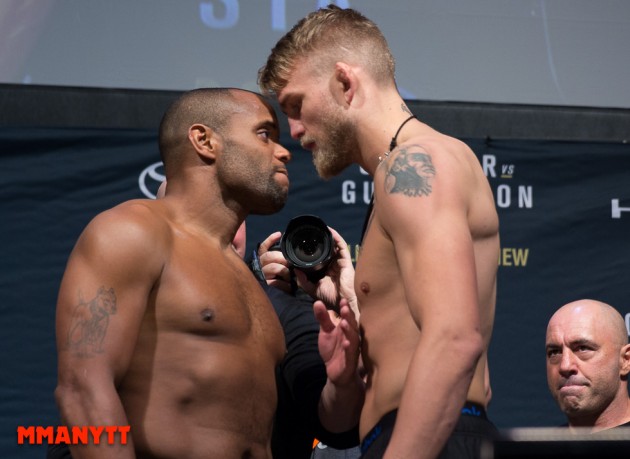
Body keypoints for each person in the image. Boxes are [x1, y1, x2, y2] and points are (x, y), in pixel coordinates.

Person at [258, 5, 500, 458]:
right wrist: (348, 293)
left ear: (345, 83)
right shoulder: (402, 169)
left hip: (432, 438)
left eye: (296, 105)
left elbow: (454, 338)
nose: (293, 131)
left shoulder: (414, 164)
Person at [53, 88, 291, 458]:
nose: (283, 151)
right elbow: (83, 391)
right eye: (264, 134)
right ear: (204, 140)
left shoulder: (247, 278)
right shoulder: (133, 232)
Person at [545, 299, 630, 431]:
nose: (565, 366)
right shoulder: (538, 449)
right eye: (555, 352)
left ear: (626, 360)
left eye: (583, 348)